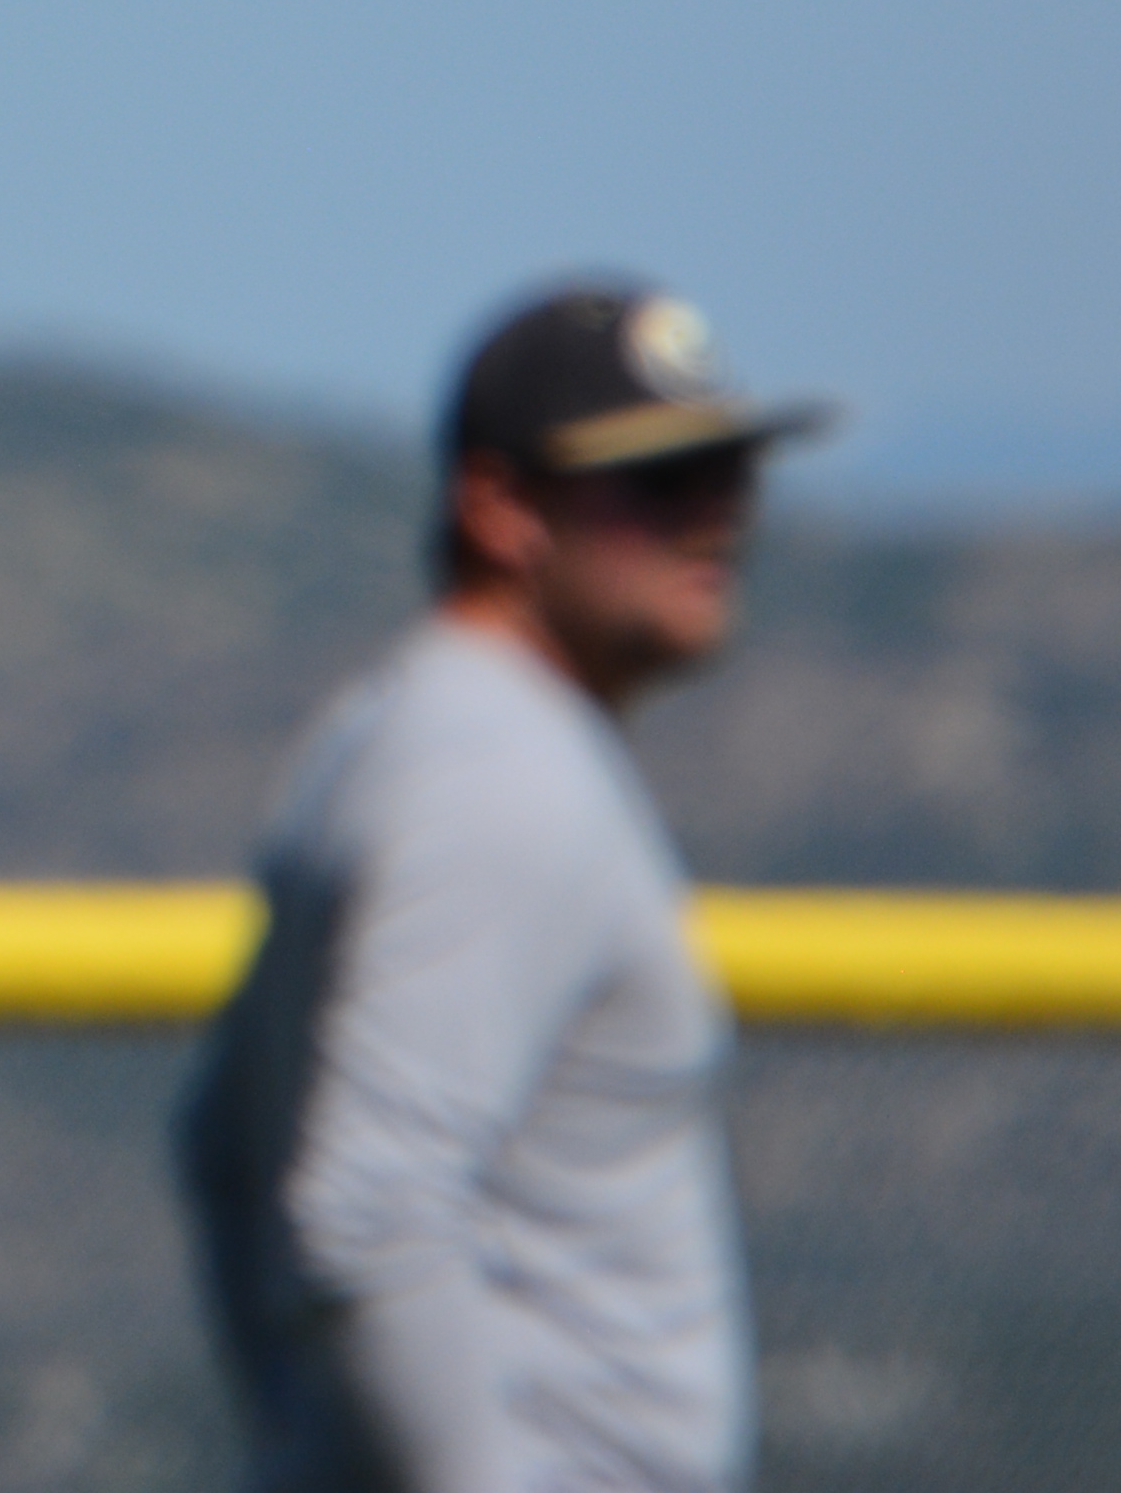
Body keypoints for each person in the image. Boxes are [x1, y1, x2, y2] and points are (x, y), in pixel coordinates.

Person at [173, 281, 839, 1493]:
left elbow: (220, 1148)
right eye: (661, 479)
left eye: (733, 472)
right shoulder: (499, 772)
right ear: (500, 507)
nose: (718, 517)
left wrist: (303, 1435)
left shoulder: (391, 731)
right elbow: (370, 1215)